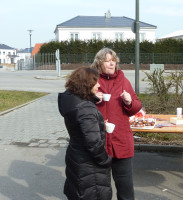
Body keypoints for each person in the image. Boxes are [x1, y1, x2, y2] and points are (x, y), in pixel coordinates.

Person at [91, 48, 142, 200]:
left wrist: (129, 101)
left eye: (113, 60)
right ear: (100, 63)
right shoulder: (92, 80)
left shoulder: (123, 80)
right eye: (107, 60)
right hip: (99, 141)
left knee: (125, 185)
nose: (112, 63)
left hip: (121, 140)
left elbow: (137, 106)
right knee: (100, 186)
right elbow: (79, 107)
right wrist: (91, 98)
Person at [58, 66, 112, 200]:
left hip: (76, 156)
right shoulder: (86, 110)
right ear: (87, 84)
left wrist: (92, 100)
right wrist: (105, 160)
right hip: (89, 165)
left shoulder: (70, 99)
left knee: (78, 193)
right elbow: (93, 143)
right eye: (96, 82)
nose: (99, 85)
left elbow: (81, 123)